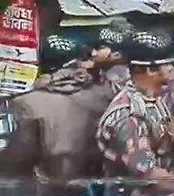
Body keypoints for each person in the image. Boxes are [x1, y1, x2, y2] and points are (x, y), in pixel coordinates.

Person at [96, 31, 174, 177]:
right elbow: (147, 174)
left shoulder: (155, 100)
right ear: (150, 69)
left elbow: (161, 150)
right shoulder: (127, 114)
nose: (173, 68)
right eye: (168, 63)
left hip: (161, 191)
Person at [10, 34, 115, 179]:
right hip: (98, 187)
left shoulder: (26, 102)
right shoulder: (105, 94)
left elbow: (23, 156)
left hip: (50, 191)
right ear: (77, 64)